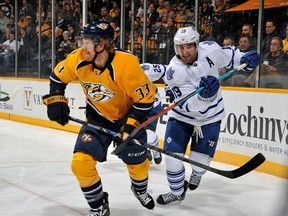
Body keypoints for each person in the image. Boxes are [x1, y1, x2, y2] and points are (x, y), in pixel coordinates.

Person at [42, 21, 156, 215]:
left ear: (101, 44)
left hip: (127, 119)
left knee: (138, 165)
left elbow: (145, 99)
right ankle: (98, 205)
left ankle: (140, 190)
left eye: (87, 42)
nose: (82, 46)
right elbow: (57, 78)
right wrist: (55, 99)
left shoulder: (126, 64)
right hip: (97, 119)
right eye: (83, 41)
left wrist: (129, 126)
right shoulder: (77, 59)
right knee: (80, 162)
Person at [141, 26, 260, 205]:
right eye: (181, 47)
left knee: (199, 162)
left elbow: (230, 55)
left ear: (196, 45)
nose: (185, 51)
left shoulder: (211, 49)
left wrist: (245, 58)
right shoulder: (174, 71)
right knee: (172, 159)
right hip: (181, 117)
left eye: (189, 46)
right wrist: (205, 97)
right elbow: (188, 105)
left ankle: (197, 173)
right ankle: (177, 192)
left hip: (210, 117)